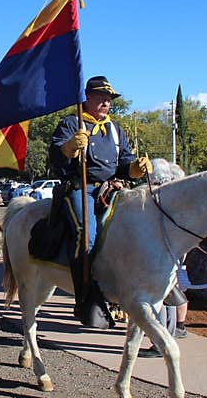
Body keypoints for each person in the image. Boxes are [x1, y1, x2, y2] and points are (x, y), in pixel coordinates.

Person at [49, 75, 152, 329]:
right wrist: (68, 148)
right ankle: (84, 292)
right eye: (101, 98)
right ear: (87, 97)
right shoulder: (71, 122)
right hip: (80, 188)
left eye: (109, 99)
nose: (107, 102)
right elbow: (55, 158)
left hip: (111, 189)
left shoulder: (115, 129)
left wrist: (135, 169)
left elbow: (124, 164)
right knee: (86, 234)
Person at [138, 158, 189, 358]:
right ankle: (167, 337)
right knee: (167, 297)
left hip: (161, 255)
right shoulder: (174, 197)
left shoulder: (159, 198)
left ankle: (161, 343)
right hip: (171, 253)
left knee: (162, 299)